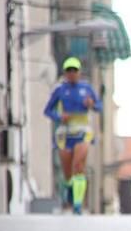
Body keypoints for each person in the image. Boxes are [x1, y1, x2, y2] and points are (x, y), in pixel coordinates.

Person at [43, 57, 102, 214]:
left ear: (79, 72)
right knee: (67, 169)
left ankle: (77, 204)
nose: (72, 73)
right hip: (65, 131)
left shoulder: (87, 88)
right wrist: (59, 117)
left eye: (74, 70)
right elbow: (48, 110)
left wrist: (92, 104)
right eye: (68, 70)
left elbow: (99, 106)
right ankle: (70, 187)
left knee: (78, 165)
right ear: (65, 72)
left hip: (82, 129)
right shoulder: (60, 90)